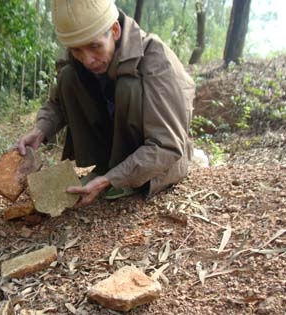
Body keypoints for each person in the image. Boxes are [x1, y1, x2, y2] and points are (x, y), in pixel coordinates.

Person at [17, 0, 195, 208]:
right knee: (68, 76)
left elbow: (168, 146)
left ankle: (121, 176)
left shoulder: (156, 60)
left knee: (128, 86)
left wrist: (113, 178)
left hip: (159, 163)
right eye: (77, 50)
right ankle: (105, 166)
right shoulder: (83, 50)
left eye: (95, 47)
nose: (88, 60)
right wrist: (41, 130)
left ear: (115, 30)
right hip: (115, 149)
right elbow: (58, 103)